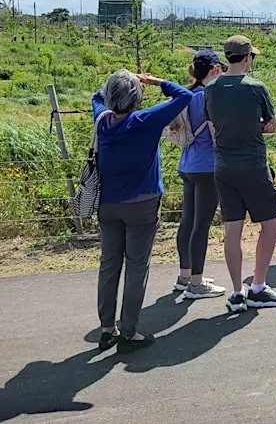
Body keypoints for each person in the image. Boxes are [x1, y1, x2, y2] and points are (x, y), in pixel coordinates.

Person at [92, 70, 192, 352]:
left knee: (109, 263)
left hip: (108, 203)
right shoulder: (146, 120)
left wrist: (117, 81)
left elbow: (96, 96)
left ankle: (106, 328)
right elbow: (184, 95)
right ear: (137, 97)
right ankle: (129, 332)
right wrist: (155, 81)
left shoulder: (101, 119)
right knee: (137, 266)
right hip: (143, 204)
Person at [206, 35, 276, 313]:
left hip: (223, 166)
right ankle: (258, 286)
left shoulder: (212, 88)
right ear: (247, 58)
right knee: (270, 223)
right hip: (253, 165)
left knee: (233, 228)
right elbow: (271, 126)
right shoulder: (256, 88)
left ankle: (235, 291)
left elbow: (211, 124)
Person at [176, 50, 228, 299]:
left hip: (187, 162)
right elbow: (217, 131)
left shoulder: (188, 94)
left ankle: (185, 275)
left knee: (187, 221)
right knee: (202, 224)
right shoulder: (209, 96)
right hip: (207, 165)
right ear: (215, 69)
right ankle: (197, 283)